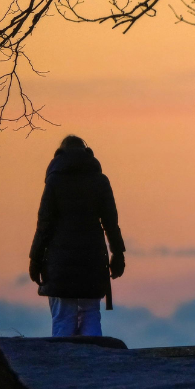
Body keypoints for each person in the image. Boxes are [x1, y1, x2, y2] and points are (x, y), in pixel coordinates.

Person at [28, 135, 126, 337]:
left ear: (60, 154)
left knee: (63, 317)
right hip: (93, 260)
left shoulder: (54, 181)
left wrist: (35, 259)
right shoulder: (100, 181)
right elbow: (111, 223)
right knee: (91, 314)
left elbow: (44, 224)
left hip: (59, 262)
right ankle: (95, 363)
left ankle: (64, 366)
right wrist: (118, 254)